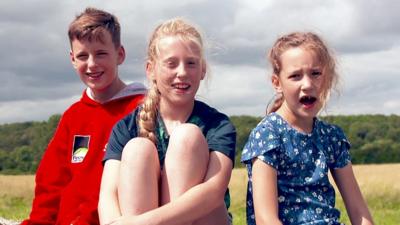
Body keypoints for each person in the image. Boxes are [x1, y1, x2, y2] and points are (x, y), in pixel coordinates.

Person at [98, 18, 236, 225]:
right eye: (171, 63)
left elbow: (213, 192)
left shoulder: (218, 125)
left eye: (191, 63)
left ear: (202, 70)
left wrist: (142, 223)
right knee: (137, 149)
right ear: (150, 69)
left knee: (187, 137)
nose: (182, 72)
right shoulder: (126, 128)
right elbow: (108, 197)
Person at [21, 7, 146, 225]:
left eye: (101, 53)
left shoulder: (141, 109)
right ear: (72, 60)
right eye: (82, 56)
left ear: (120, 54)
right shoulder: (73, 116)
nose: (91, 64)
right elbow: (51, 184)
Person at [241, 32, 374, 225]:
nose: (307, 84)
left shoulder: (332, 137)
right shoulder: (268, 134)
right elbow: (265, 219)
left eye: (316, 74)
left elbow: (358, 210)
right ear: (277, 83)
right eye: (295, 76)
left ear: (327, 78)